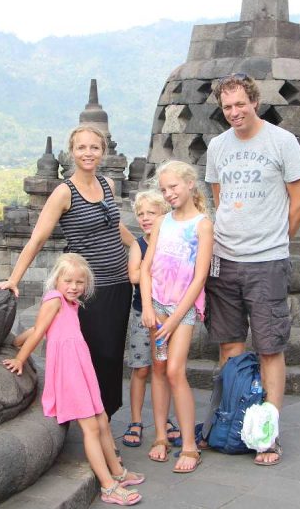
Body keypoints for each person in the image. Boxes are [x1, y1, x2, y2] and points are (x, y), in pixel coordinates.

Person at [0, 125, 134, 418]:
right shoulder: (64, 192)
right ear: (72, 152)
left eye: (94, 147)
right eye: (81, 147)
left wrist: (139, 248)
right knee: (94, 353)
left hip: (119, 283)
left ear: (103, 151)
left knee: (112, 355)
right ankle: (92, 417)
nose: (88, 153)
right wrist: (14, 279)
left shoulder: (107, 184)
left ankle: (105, 417)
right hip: (87, 288)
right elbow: (37, 239)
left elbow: (114, 226)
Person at [204, 72, 300, 466]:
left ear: (255, 102)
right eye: (227, 107)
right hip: (224, 259)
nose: (234, 112)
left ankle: (267, 434)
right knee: (229, 346)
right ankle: (229, 422)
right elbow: (220, 199)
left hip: (267, 261)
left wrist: (276, 240)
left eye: (240, 104)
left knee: (269, 347)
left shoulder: (282, 142)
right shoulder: (218, 146)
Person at [3, 254, 144, 506]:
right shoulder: (54, 299)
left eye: (79, 282)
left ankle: (117, 471)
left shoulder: (72, 304)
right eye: (68, 281)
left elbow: (37, 329)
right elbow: (39, 331)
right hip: (69, 370)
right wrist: (20, 358)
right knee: (91, 427)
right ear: (56, 280)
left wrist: (14, 342)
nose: (74, 286)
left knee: (102, 419)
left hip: (81, 366)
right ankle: (108, 486)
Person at [140, 161, 213, 474]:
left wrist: (174, 319)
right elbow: (146, 268)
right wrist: (147, 307)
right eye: (164, 189)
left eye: (174, 187)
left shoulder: (202, 225)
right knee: (158, 368)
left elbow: (200, 277)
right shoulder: (162, 222)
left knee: (174, 370)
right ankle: (160, 436)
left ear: (190, 184)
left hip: (182, 311)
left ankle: (189, 445)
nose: (169, 193)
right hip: (157, 305)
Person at [121, 189, 181, 449]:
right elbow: (134, 276)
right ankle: (136, 420)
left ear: (164, 214)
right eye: (141, 214)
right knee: (141, 368)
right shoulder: (139, 244)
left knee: (163, 368)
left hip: (168, 315)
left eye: (151, 213)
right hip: (141, 314)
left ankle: (163, 418)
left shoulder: (173, 242)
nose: (145, 218)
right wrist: (157, 269)